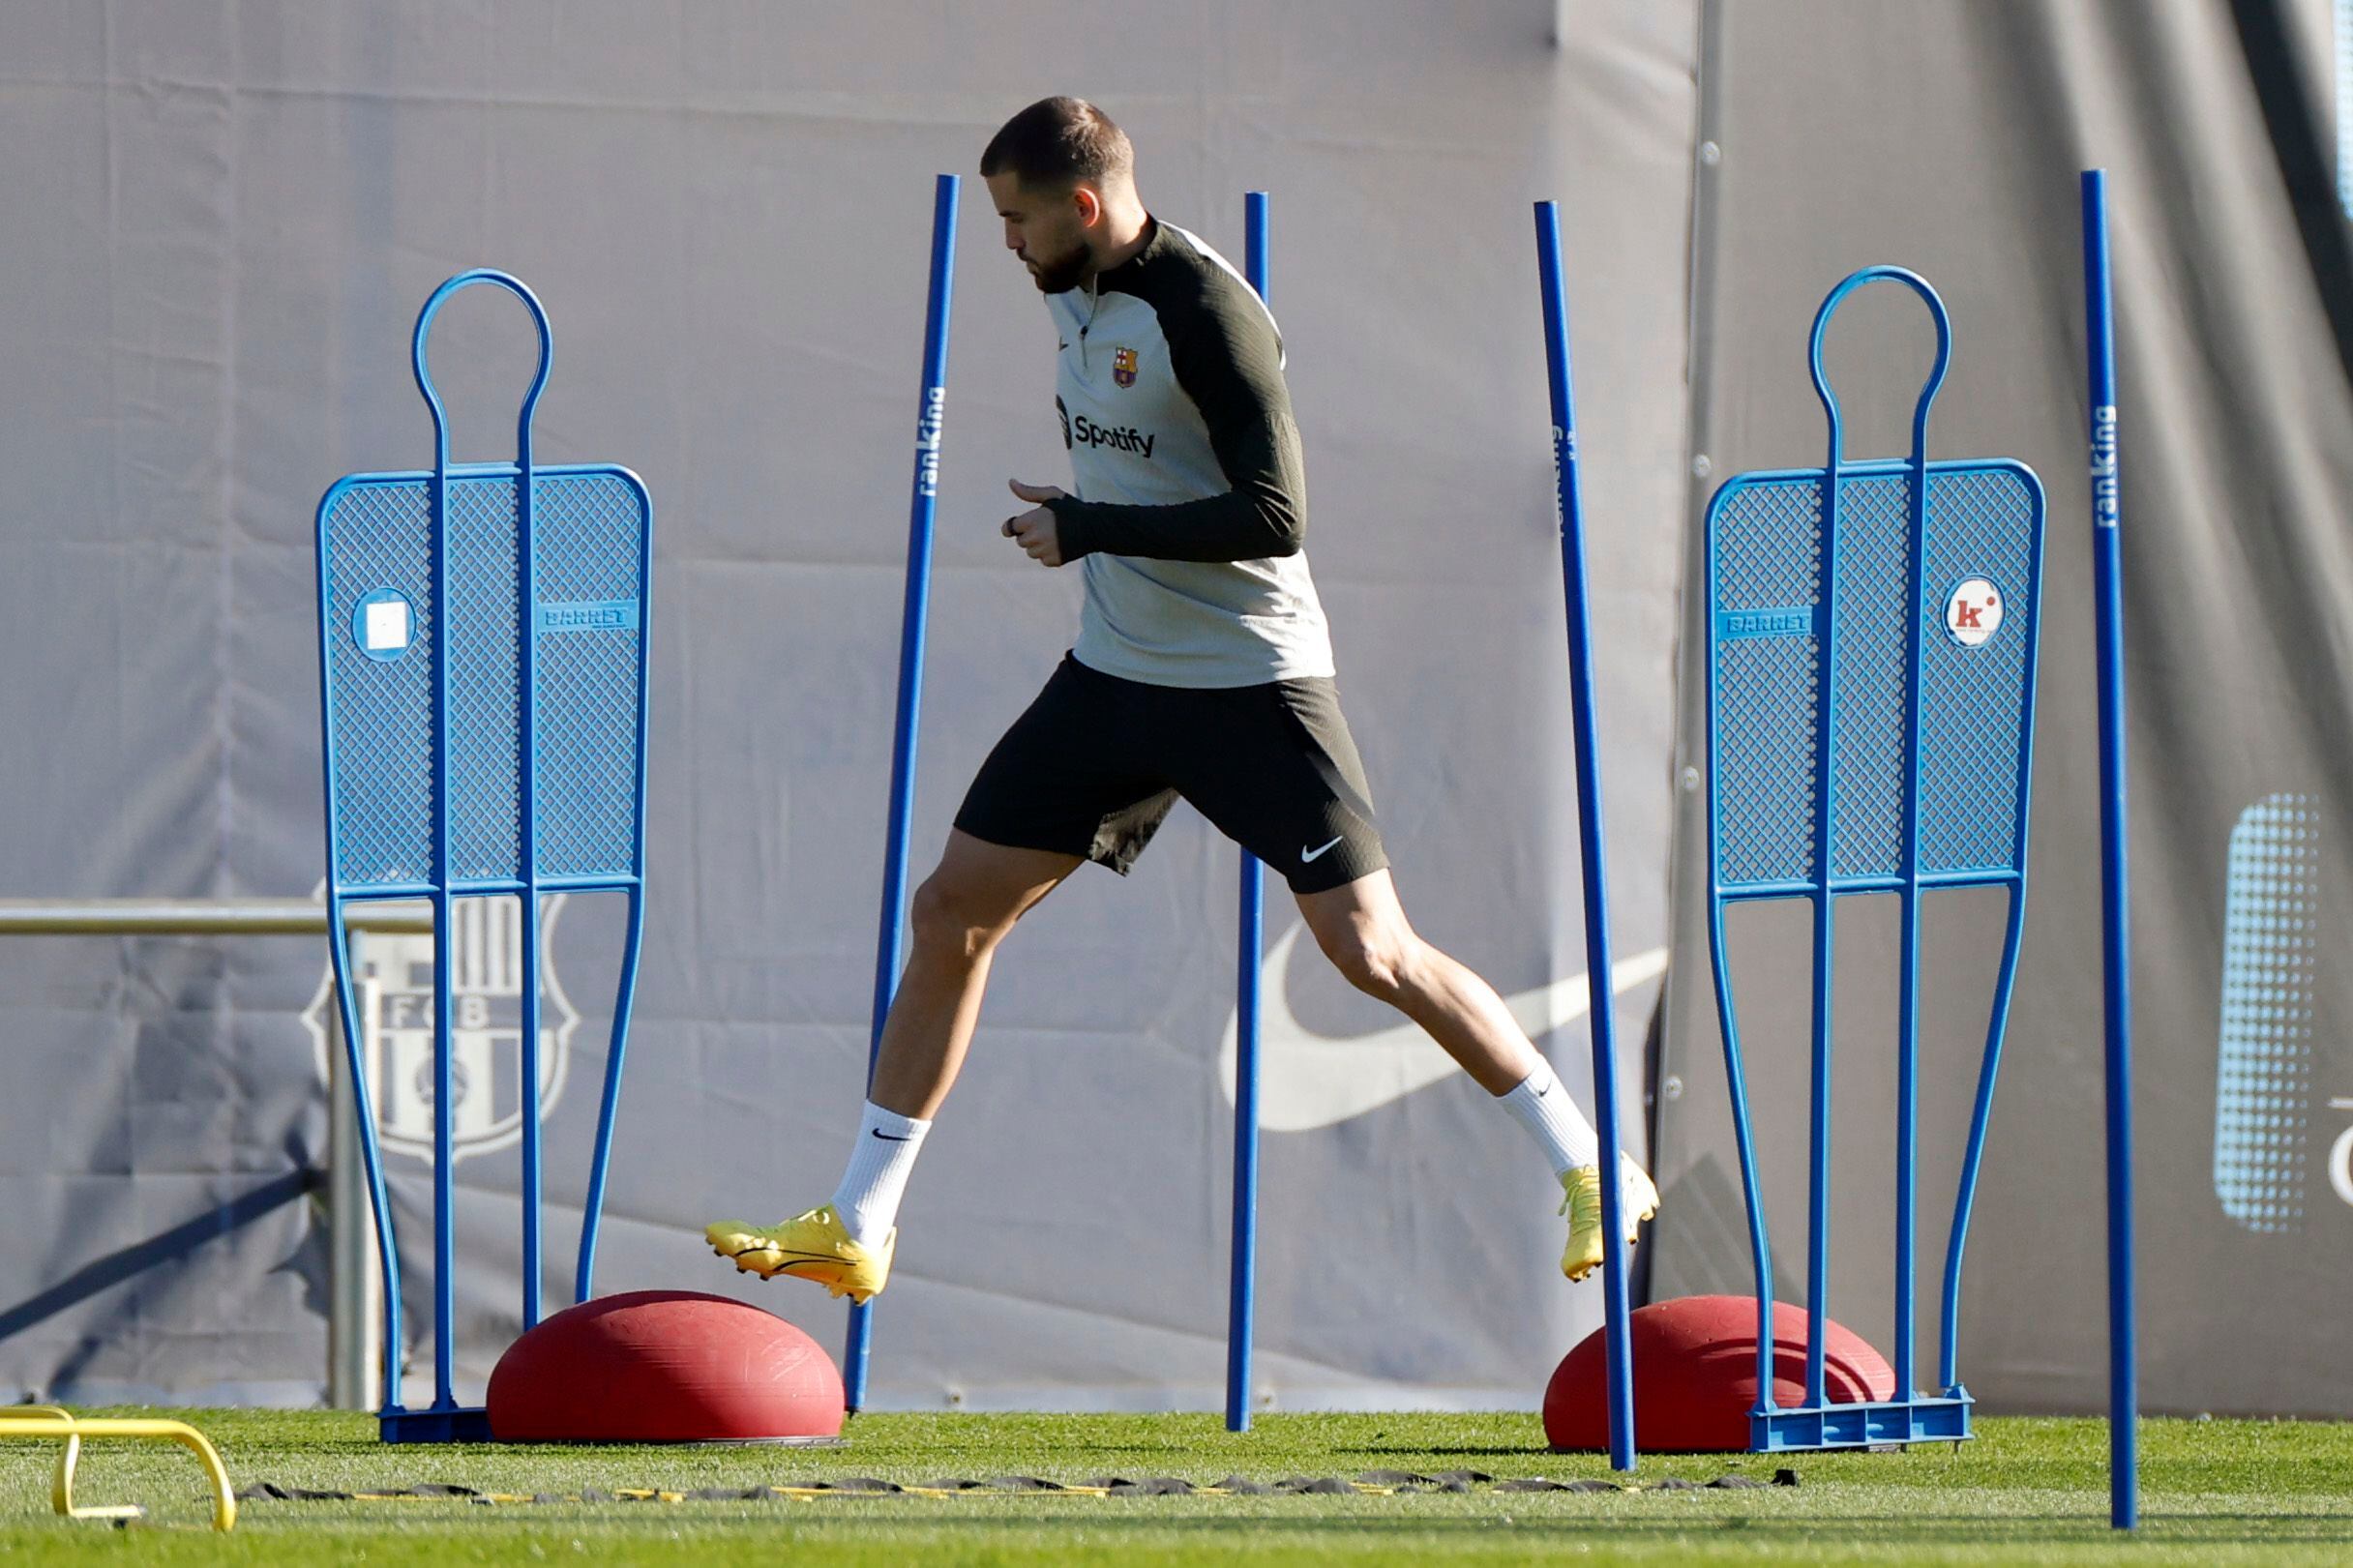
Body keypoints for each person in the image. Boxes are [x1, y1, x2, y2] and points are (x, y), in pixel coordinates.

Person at [706, 96, 1656, 1306]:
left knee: (1371, 951)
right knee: (950, 912)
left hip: (1247, 681)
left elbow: (1275, 518)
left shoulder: (1207, 312)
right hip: (1114, 673)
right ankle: (859, 1219)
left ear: (1084, 208)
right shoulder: (1067, 282)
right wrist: (1091, 500)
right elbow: (1146, 447)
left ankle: (1591, 1164)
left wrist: (1088, 522)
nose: (1004, 242)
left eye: (1017, 219)